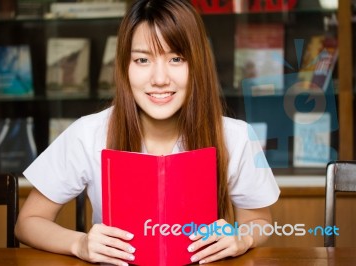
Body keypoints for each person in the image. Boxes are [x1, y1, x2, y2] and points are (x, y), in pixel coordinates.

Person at [15, 0, 280, 265]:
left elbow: (259, 222)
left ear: (197, 64)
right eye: (142, 60)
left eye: (176, 58)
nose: (160, 78)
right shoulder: (89, 132)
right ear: (124, 67)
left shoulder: (235, 136)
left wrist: (241, 238)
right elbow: (28, 222)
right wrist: (79, 243)